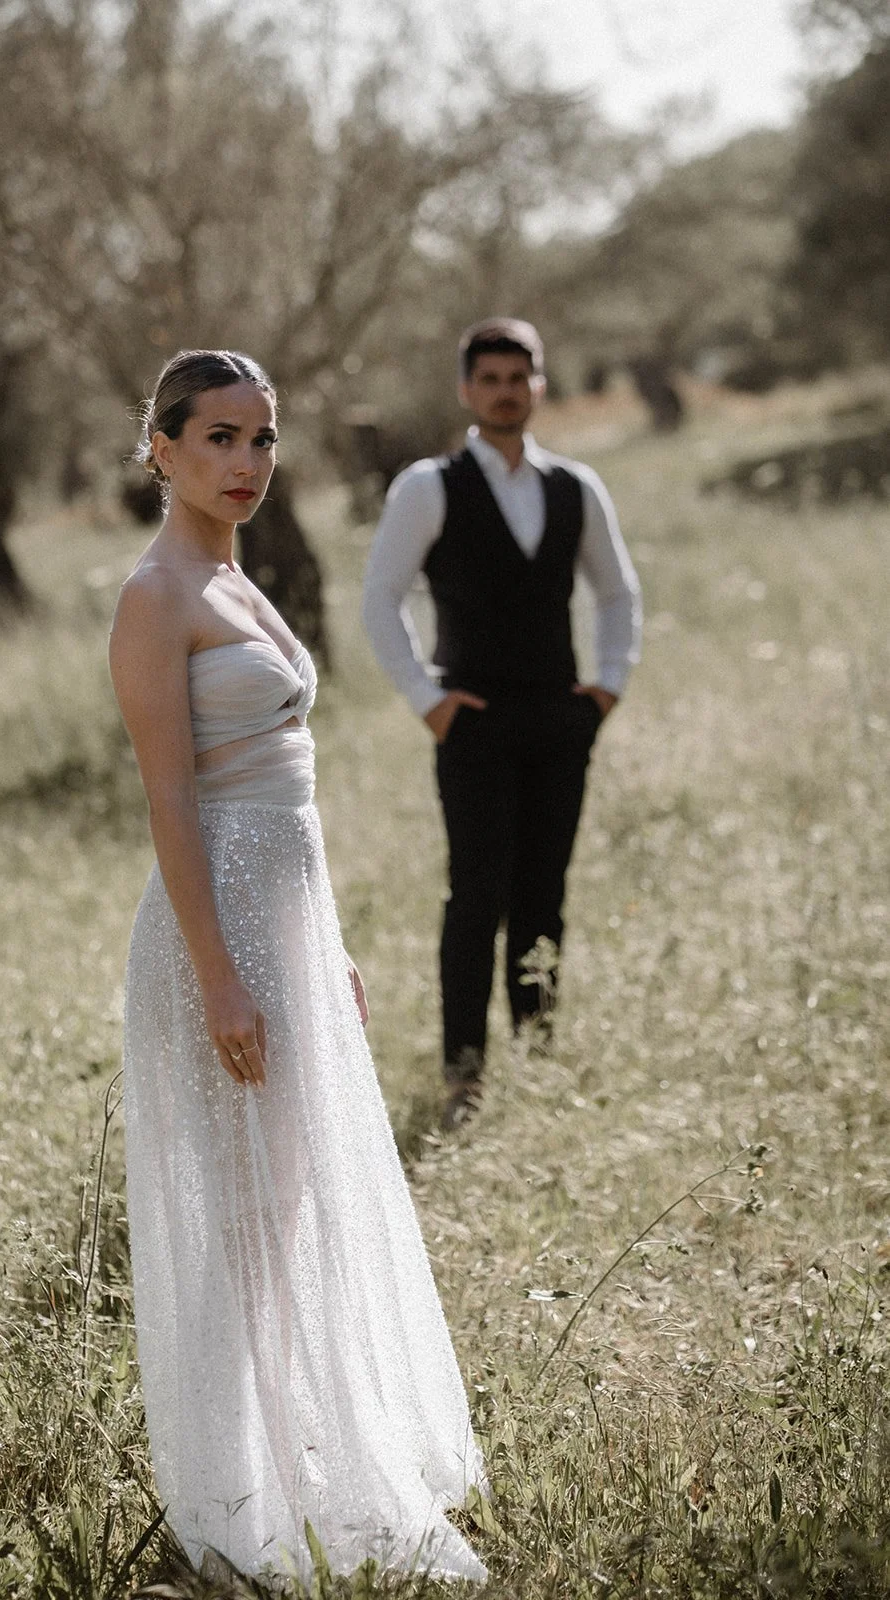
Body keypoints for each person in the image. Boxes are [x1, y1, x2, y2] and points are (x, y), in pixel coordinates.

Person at [108, 348, 486, 1584]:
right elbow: (174, 805)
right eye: (217, 437)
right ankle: (226, 1502)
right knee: (247, 1220)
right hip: (214, 930)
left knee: (292, 1207)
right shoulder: (156, 594)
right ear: (159, 446)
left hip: (288, 925)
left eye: (261, 440)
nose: (245, 463)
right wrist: (220, 973)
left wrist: (330, 950)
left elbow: (287, 791)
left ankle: (291, 1453)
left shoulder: (241, 578)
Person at [362, 318, 641, 1128]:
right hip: (472, 722)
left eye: (518, 378)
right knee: (474, 896)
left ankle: (538, 1056)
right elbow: (380, 597)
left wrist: (607, 686)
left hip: (560, 718)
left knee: (544, 891)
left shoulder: (574, 487)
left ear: (538, 387)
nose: (504, 391)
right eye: (488, 378)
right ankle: (463, 1074)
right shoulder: (429, 485)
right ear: (465, 389)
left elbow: (617, 592)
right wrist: (427, 699)